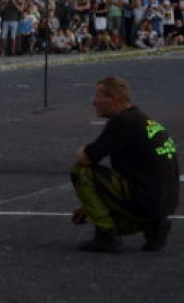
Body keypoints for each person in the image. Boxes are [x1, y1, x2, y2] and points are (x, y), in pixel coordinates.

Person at [70, 76, 179, 253]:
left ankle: (106, 235)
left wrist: (81, 150)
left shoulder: (122, 122)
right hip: (163, 201)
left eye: (98, 96)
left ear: (113, 99)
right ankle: (153, 226)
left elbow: (86, 158)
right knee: (98, 210)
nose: (94, 102)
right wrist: (88, 208)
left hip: (146, 199)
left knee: (80, 171)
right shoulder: (142, 119)